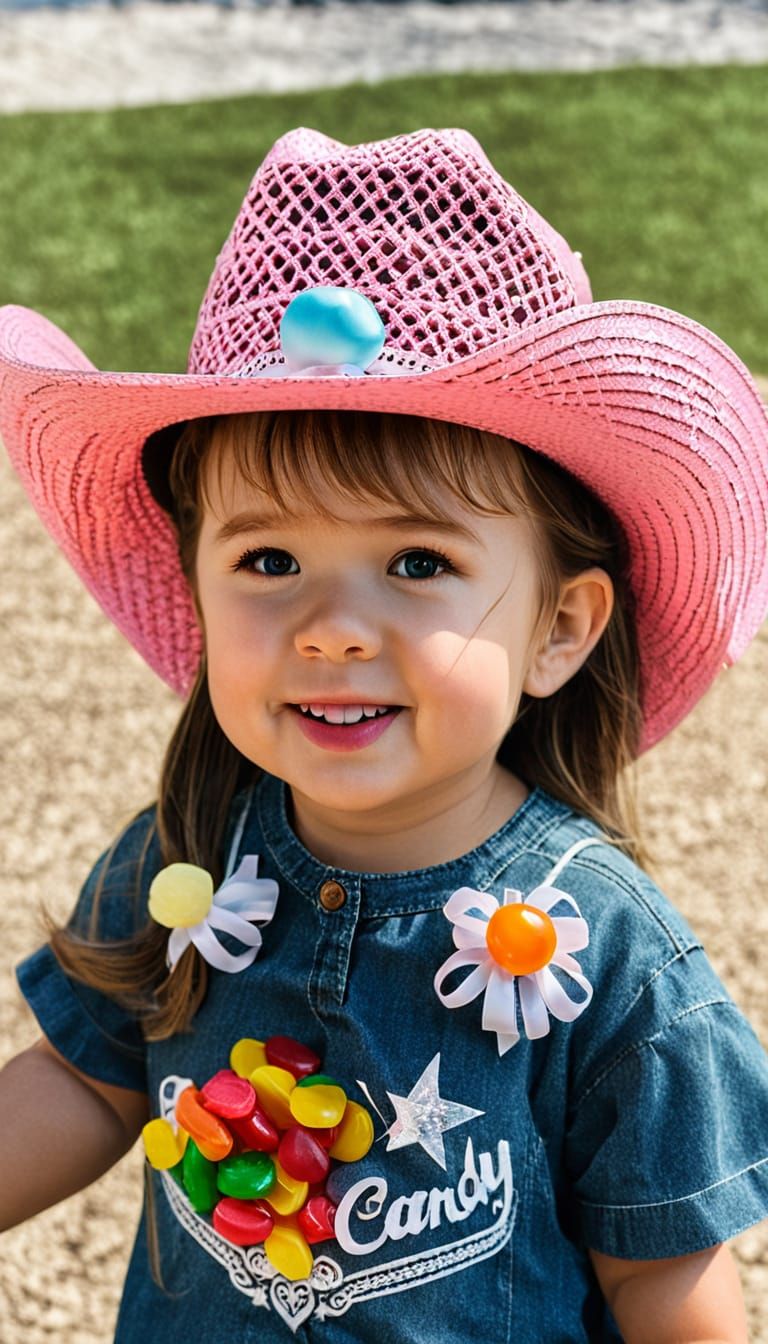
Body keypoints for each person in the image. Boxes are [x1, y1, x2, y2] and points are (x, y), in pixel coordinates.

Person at [0, 125, 766, 1344]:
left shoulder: (608, 954)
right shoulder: (190, 854)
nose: (331, 628)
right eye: (268, 558)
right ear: (196, 590)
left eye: (417, 561)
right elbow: (88, 1086)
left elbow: (663, 1278)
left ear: (561, 626)